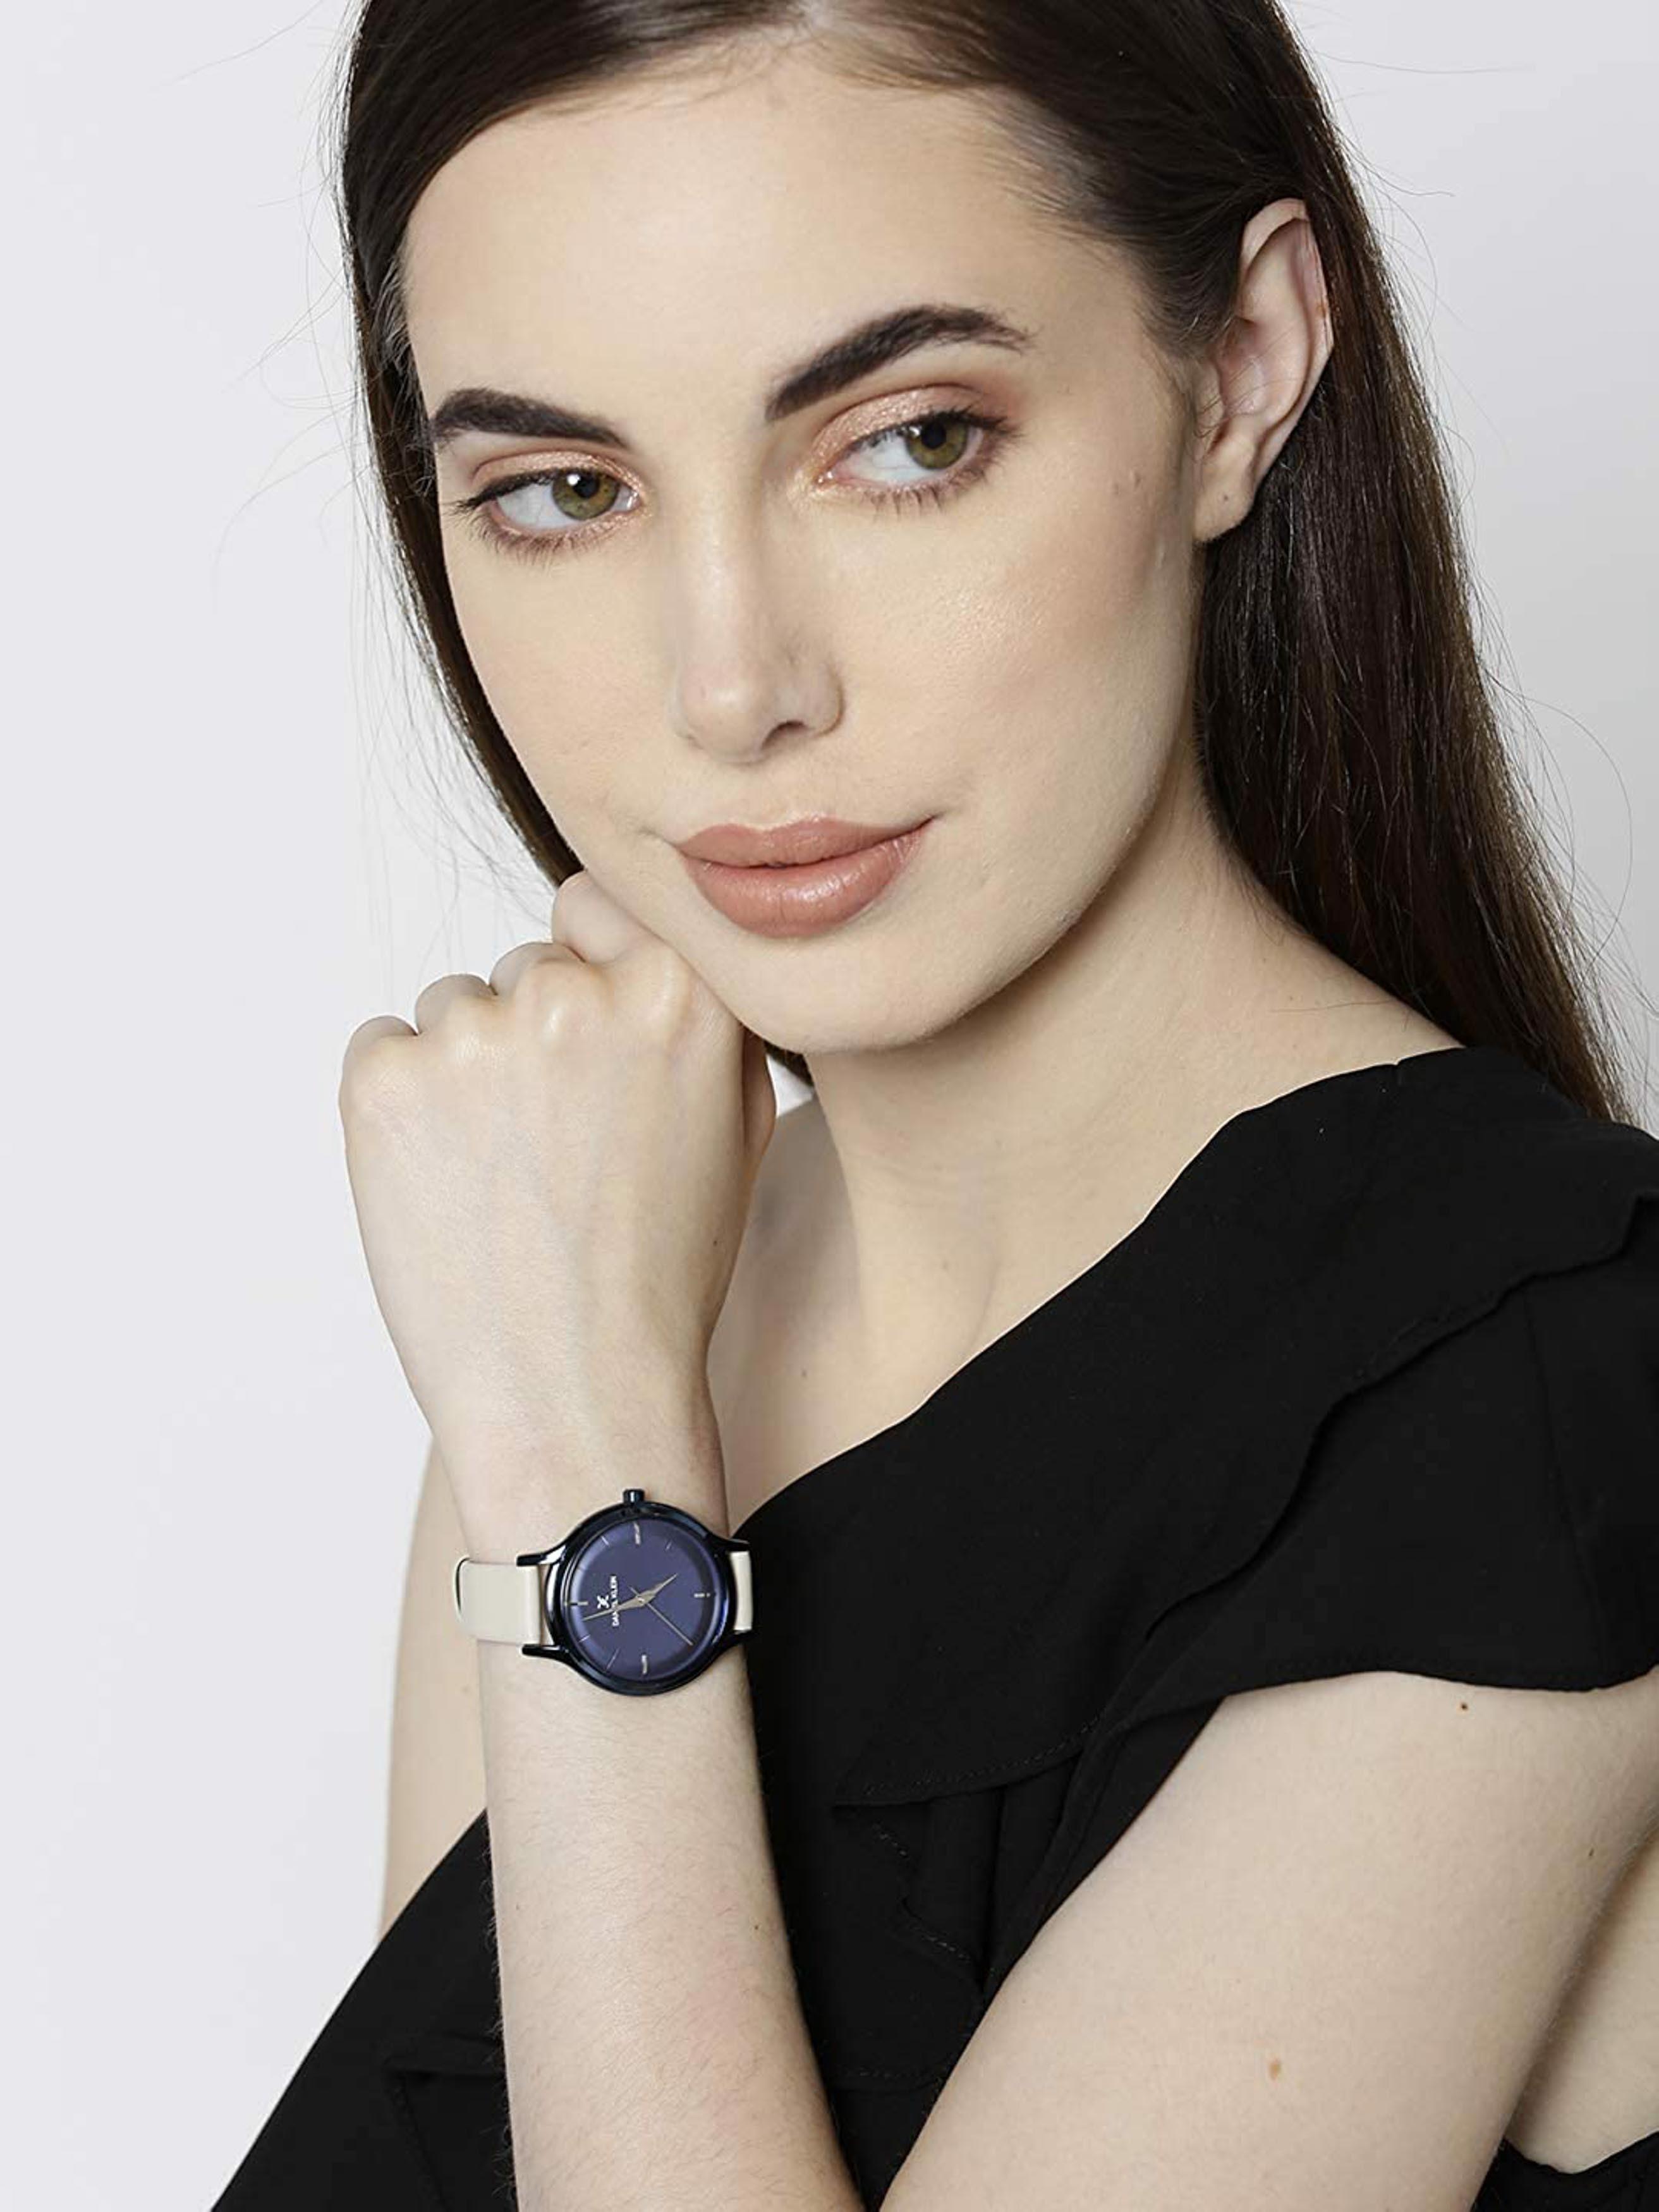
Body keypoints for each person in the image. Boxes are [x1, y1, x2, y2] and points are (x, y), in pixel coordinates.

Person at [214, 3, 1659, 2206]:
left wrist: (599, 1509)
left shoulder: (1563, 1391)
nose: (733, 686)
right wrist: (574, 1430)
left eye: (905, 441)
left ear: (1241, 367)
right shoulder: (614, 1305)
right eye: (565, 491)